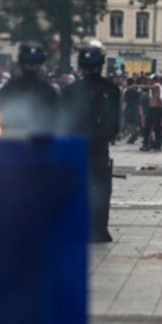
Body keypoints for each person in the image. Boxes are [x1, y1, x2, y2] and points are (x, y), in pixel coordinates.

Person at [61, 45, 121, 243]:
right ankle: (99, 229)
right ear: (101, 65)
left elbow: (63, 120)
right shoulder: (111, 89)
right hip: (99, 147)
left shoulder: (70, 90)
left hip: (75, 145)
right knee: (101, 188)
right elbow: (115, 123)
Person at [0, 41, 59, 134]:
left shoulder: (8, 90)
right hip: (20, 141)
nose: (31, 66)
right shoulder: (49, 91)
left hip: (30, 141)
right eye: (29, 63)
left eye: (34, 63)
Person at [140, 75, 162, 151]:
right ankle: (147, 143)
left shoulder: (157, 85)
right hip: (151, 109)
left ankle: (157, 145)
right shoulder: (152, 87)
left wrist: (136, 85)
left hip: (156, 109)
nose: (149, 81)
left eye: (150, 79)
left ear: (154, 80)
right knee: (147, 127)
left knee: (157, 127)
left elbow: (148, 87)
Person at [123, 78, 142, 144]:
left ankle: (133, 133)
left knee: (127, 121)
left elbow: (124, 99)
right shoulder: (137, 90)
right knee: (133, 122)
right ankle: (133, 134)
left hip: (129, 107)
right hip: (135, 107)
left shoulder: (127, 90)